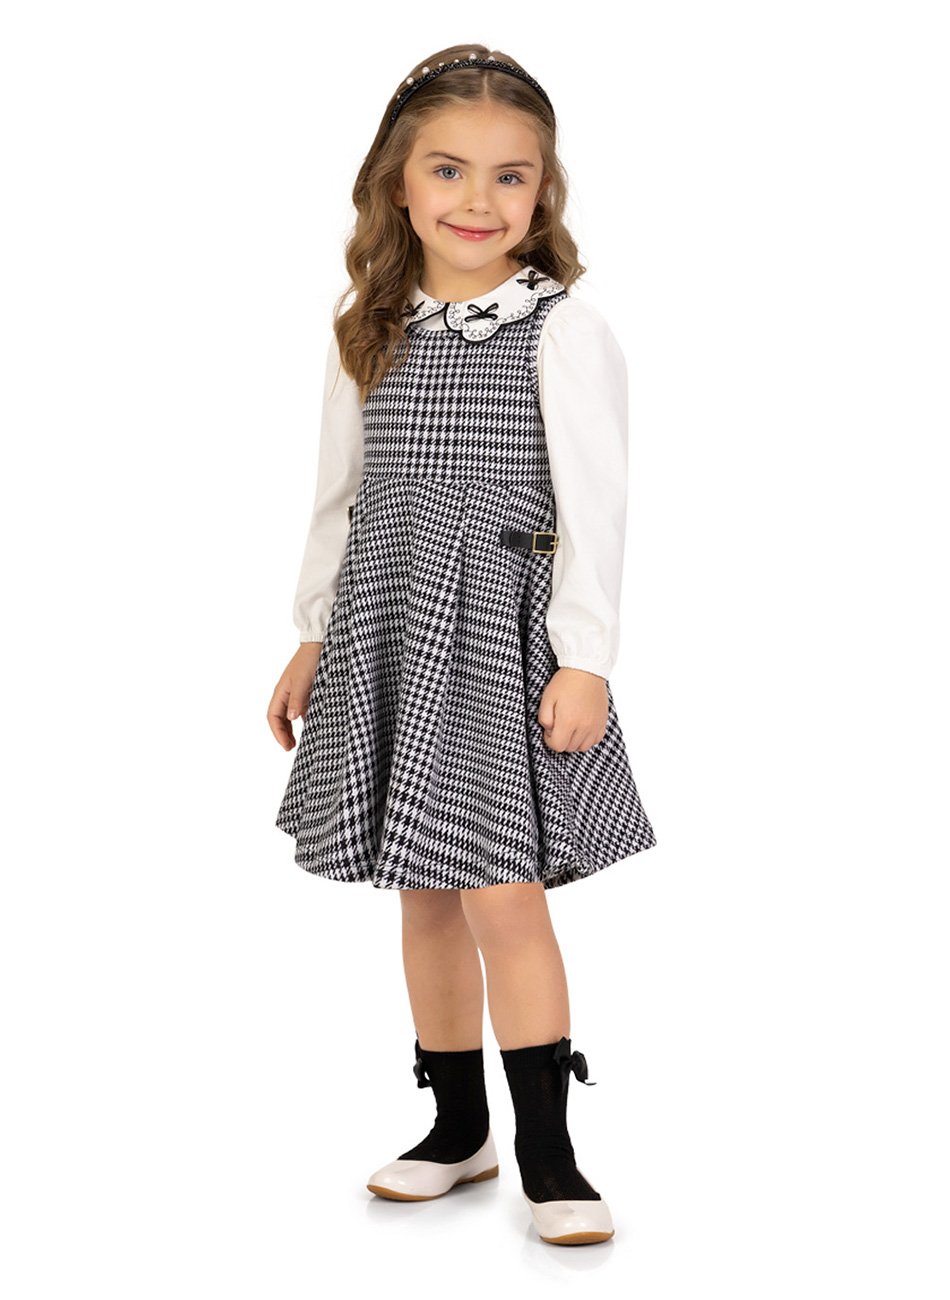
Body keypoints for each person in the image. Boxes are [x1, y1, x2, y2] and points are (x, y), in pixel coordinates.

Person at [266, 44, 656, 1246]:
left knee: (501, 891)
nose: (477, 202)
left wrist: (584, 655)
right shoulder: (367, 329)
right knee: (425, 892)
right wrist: (312, 635)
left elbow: (595, 507)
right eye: (447, 170)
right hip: (387, 624)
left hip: (493, 635)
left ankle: (550, 1151)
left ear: (543, 191)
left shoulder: (558, 330)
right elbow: (339, 499)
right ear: (396, 182)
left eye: (509, 176)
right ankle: (456, 1129)